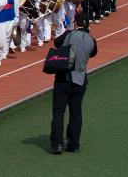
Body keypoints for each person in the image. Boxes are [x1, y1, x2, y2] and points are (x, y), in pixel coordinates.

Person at [49, 13, 97, 154]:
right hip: (80, 80)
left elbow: (56, 42)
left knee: (59, 112)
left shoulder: (69, 34)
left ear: (76, 22)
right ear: (88, 25)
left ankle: (57, 144)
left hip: (63, 78)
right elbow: (93, 53)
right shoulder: (91, 40)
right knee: (76, 112)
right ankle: (73, 144)